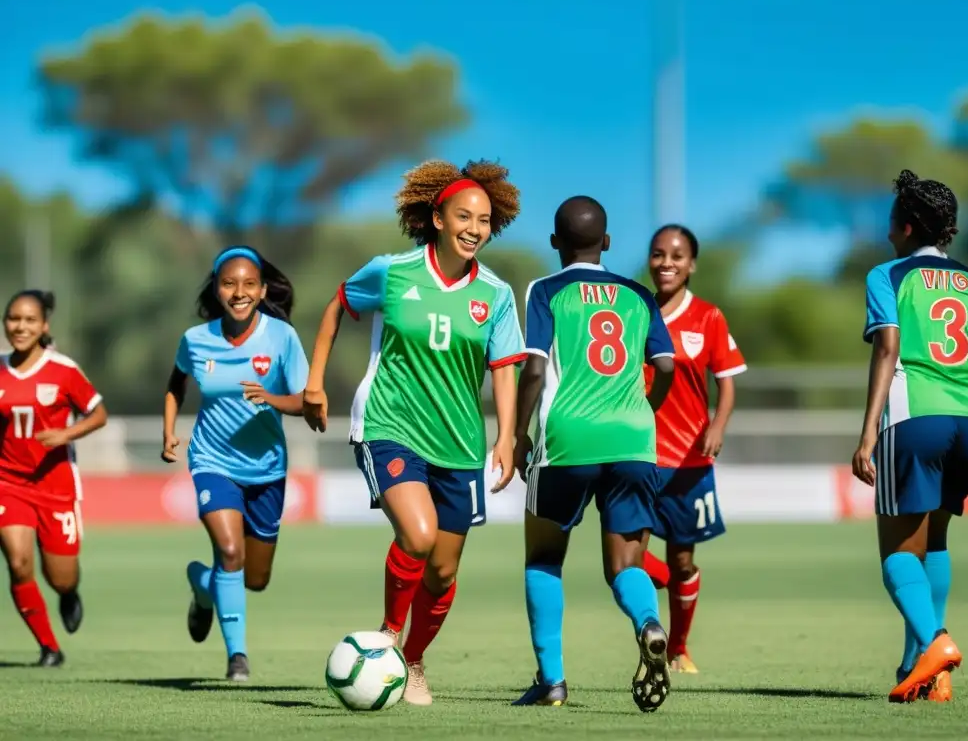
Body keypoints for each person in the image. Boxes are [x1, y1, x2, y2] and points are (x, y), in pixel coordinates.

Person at [302, 159, 524, 706]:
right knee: (419, 537)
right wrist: (314, 382)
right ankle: (386, 638)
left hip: (460, 443)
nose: (475, 228)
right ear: (438, 218)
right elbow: (336, 308)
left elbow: (504, 369)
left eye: (485, 220)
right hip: (389, 426)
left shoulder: (495, 295)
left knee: (443, 572)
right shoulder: (391, 271)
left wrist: (506, 436)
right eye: (464, 216)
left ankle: (414, 662)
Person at [852, 170, 968, 703]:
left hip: (915, 417)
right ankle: (923, 669)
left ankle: (937, 644)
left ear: (903, 226)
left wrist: (867, 436)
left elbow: (887, 349)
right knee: (936, 538)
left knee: (897, 554)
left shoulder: (888, 275)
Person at [510, 196, 677, 712]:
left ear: (556, 242)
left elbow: (535, 370)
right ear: (607, 243)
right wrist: (643, 409)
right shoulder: (637, 294)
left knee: (543, 558)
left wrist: (518, 435)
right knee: (626, 562)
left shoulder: (546, 290)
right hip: (632, 440)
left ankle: (552, 682)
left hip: (567, 441)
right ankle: (648, 623)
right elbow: (667, 365)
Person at [163, 246, 309, 682]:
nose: (239, 292)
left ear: (263, 290)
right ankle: (238, 660)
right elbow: (176, 384)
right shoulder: (195, 339)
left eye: (249, 284)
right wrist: (169, 430)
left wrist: (272, 399)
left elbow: (306, 401)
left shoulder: (282, 337)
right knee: (230, 552)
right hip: (212, 459)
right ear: (216, 289)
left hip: (267, 469)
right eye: (229, 283)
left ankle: (202, 586)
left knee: (254, 577)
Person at [639, 224, 746, 674]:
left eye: (677, 256)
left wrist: (717, 424)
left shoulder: (708, 317)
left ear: (692, 264)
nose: (667, 263)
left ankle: (679, 648)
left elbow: (727, 384)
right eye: (658, 253)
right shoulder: (633, 310)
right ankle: (650, 641)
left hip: (689, 461)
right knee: (630, 557)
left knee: (682, 562)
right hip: (640, 455)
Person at [0, 290, 108, 666]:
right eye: (14, 319)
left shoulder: (63, 370)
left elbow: (98, 414)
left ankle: (68, 593)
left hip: (56, 486)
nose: (20, 327)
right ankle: (49, 647)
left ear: (43, 326)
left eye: (29, 320)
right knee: (17, 562)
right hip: (8, 483)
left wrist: (64, 435)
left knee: (60, 576)